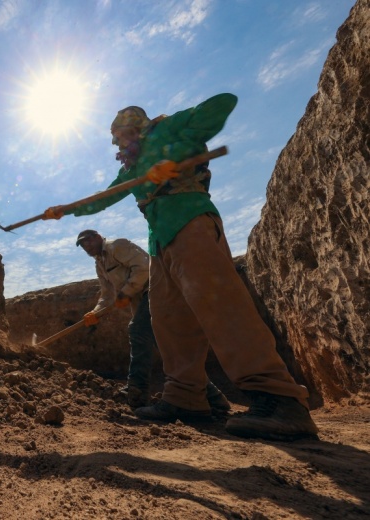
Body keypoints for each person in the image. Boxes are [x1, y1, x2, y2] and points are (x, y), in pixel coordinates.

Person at [46, 94, 318, 441]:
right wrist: (65, 209)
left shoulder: (166, 131)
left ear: (136, 127)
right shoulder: (131, 167)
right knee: (169, 320)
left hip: (189, 221)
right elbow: (104, 196)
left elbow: (222, 104)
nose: (118, 142)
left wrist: (175, 154)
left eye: (121, 135)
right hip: (160, 240)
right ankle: (185, 398)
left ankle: (278, 398)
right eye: (116, 139)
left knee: (220, 306)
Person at [76, 230, 229, 414]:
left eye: (88, 242)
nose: (86, 247)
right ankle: (215, 398)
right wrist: (95, 313)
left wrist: (126, 292)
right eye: (83, 245)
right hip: (143, 301)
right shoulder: (100, 264)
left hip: (156, 290)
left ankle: (137, 390)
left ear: (98, 237)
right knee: (169, 351)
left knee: (137, 331)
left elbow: (143, 266)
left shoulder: (117, 246)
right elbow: (107, 295)